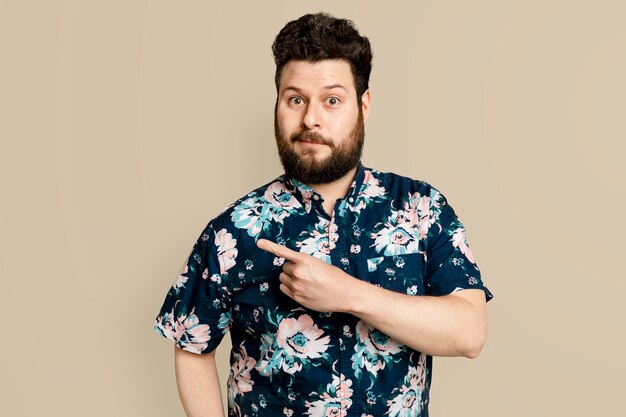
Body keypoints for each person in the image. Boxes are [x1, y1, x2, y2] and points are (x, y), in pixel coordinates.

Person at [154, 12, 493, 417]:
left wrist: (350, 294)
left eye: (332, 100)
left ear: (363, 106)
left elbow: (469, 332)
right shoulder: (235, 229)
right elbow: (191, 345)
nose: (310, 119)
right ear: (278, 104)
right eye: (295, 99)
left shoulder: (422, 209)